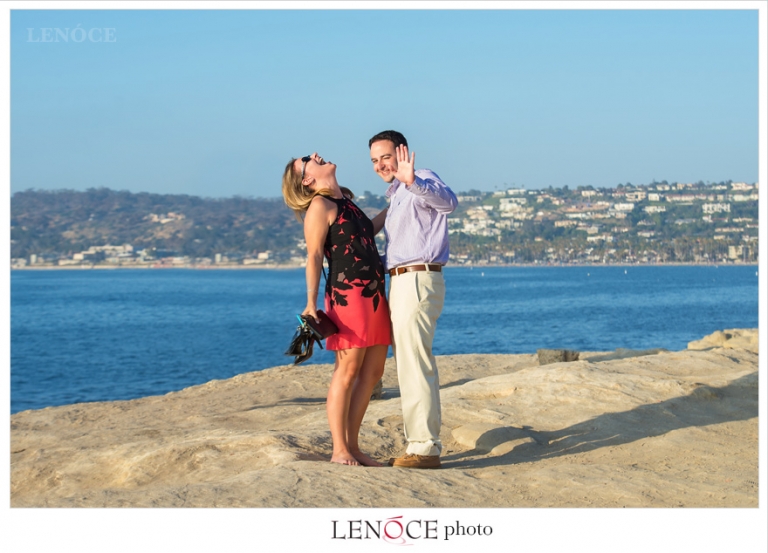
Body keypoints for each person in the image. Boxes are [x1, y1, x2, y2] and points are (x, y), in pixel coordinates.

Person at [281, 152, 391, 467]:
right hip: (348, 297)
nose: (315, 155)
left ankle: (354, 447)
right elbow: (314, 255)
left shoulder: (347, 202)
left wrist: (393, 206)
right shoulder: (319, 206)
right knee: (347, 372)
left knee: (373, 373)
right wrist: (310, 303)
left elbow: (366, 231)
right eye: (307, 159)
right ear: (306, 179)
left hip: (375, 294)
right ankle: (339, 449)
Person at [368, 130, 458, 469]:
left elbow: (448, 203)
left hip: (418, 279)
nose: (380, 165)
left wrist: (412, 181)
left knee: (415, 364)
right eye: (374, 161)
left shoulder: (420, 180)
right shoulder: (396, 196)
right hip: (403, 281)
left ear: (402, 152)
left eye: (385, 157)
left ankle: (424, 449)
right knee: (409, 364)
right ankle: (419, 444)